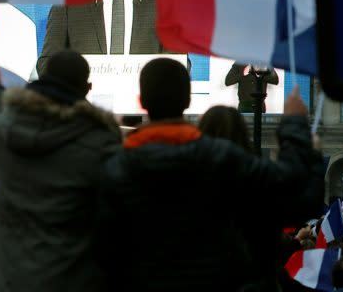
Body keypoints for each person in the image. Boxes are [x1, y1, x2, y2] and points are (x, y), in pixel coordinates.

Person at [95, 58, 325, 292]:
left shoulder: (114, 168)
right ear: (187, 100)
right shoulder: (220, 157)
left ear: (141, 101)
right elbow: (297, 196)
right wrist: (295, 126)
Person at [0, 51, 122, 292]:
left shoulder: (4, 128)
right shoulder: (101, 143)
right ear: (87, 88)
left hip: (3, 280)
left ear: (43, 79)